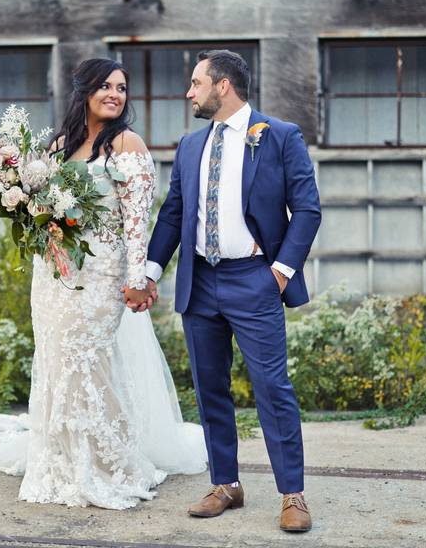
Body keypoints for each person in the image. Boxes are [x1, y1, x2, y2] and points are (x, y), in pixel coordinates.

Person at [0, 58, 206, 510]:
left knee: (87, 359)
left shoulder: (127, 143)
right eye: (105, 86)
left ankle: (105, 462)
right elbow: (42, 207)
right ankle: (58, 458)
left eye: (121, 87)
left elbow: (138, 219)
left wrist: (139, 278)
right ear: (83, 92)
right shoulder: (58, 144)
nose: (115, 94)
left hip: (102, 273)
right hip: (54, 272)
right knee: (57, 359)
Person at [142, 49, 321, 532]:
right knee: (209, 389)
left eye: (196, 83)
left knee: (272, 388)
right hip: (200, 282)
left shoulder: (280, 137)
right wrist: (151, 273)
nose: (189, 92)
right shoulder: (189, 146)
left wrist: (280, 272)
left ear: (222, 86)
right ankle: (226, 484)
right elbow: (173, 215)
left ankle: (293, 494)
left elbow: (307, 209)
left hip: (255, 279)